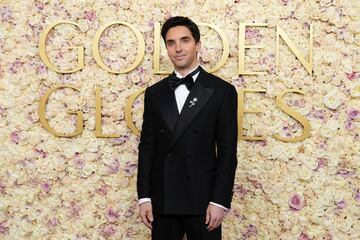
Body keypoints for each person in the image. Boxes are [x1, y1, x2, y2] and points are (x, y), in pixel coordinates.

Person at [137, 16, 238, 240]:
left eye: (185, 40)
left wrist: (219, 201)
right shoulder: (155, 93)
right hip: (163, 200)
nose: (178, 48)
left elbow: (227, 151)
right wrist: (144, 197)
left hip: (204, 203)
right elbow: (147, 147)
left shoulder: (222, 91)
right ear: (166, 49)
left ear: (198, 45)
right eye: (171, 43)